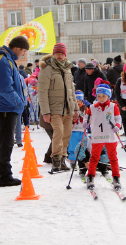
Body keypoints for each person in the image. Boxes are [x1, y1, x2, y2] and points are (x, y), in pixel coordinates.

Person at [0, 36, 28, 186]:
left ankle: (1, 173)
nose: (23, 54)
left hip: (7, 106)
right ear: (17, 48)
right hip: (6, 106)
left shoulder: (6, 59)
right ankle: (4, 176)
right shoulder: (3, 60)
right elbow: (4, 88)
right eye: (24, 51)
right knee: (6, 142)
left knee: (6, 141)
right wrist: (18, 102)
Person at [38, 43, 79, 172]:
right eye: (58, 53)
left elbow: (72, 90)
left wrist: (76, 108)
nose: (60, 56)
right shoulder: (47, 69)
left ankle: (62, 160)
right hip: (54, 108)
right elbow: (42, 92)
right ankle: (55, 159)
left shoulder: (67, 69)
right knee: (58, 133)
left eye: (62, 53)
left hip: (68, 108)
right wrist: (45, 111)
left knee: (67, 134)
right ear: (54, 54)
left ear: (65, 55)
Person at [83, 84, 122, 189]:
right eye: (98, 96)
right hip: (97, 136)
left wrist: (117, 126)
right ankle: (90, 176)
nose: (100, 98)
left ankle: (116, 177)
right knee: (94, 157)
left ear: (108, 96)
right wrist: (85, 123)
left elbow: (118, 119)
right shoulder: (92, 107)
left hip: (110, 136)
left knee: (113, 158)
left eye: (103, 96)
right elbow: (86, 117)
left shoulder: (113, 107)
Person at [67, 91, 87, 166]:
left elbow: (88, 118)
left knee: (82, 145)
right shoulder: (71, 109)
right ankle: (72, 160)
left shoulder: (85, 109)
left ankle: (83, 160)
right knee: (73, 144)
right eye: (76, 101)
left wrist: (85, 120)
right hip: (74, 130)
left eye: (79, 101)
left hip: (82, 130)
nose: (78, 103)